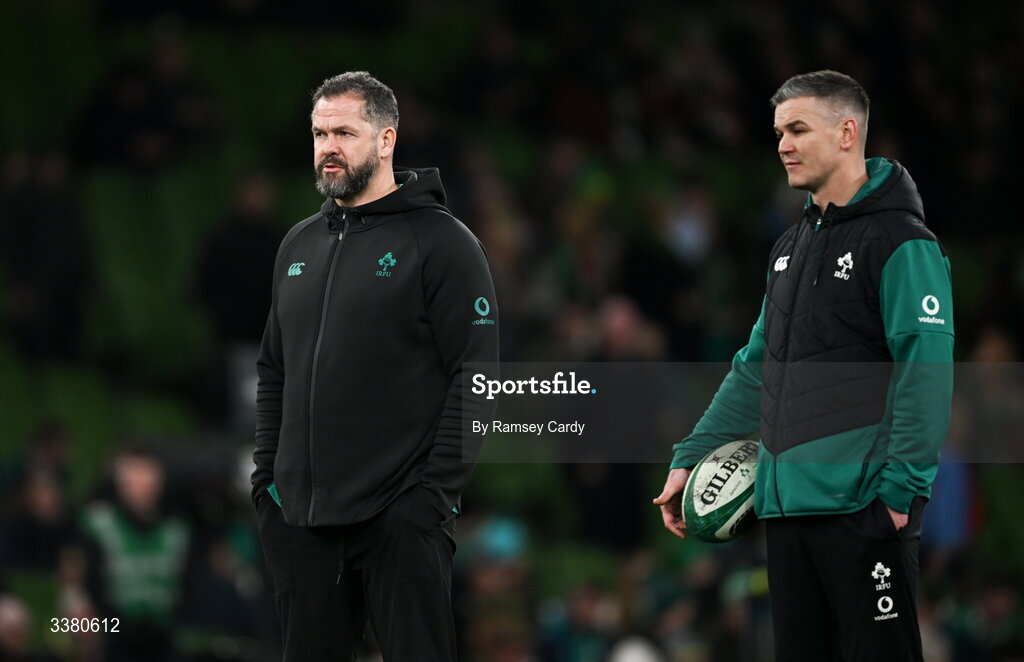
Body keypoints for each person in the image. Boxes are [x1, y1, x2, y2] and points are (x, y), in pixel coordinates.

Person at [654, 70, 954, 661]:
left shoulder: (902, 242)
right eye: (778, 132)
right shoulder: (790, 247)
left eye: (797, 129)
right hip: (786, 513)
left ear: (847, 133)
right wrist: (692, 456)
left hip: (864, 512)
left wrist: (897, 495)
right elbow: (755, 365)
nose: (783, 145)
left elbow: (928, 371)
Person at [251, 71, 499, 661]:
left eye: (344, 132)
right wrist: (267, 483)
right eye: (318, 133)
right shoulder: (297, 245)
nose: (327, 147)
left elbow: (480, 380)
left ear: (386, 140)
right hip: (303, 524)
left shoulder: (443, 243)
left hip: (400, 520)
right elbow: (273, 370)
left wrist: (430, 499)